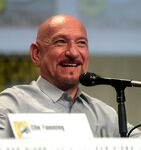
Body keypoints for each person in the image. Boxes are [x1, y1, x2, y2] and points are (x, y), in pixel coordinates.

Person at [0, 14, 140, 138]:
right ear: (37, 54)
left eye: (81, 43)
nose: (73, 53)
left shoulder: (103, 115)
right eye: (60, 42)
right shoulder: (11, 106)